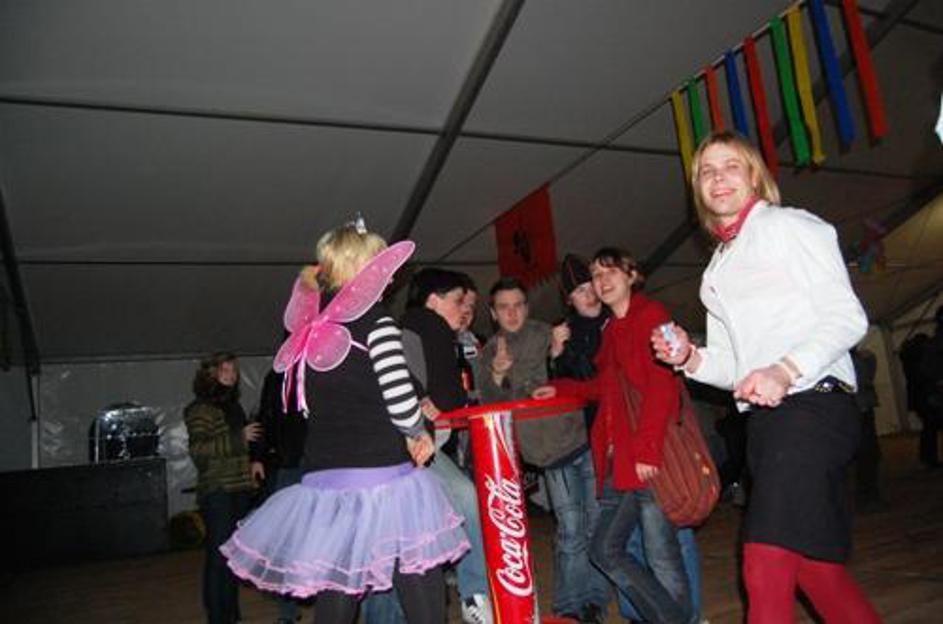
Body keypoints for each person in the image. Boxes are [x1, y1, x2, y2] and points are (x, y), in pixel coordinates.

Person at [651, 130, 879, 623]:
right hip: (767, 421)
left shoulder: (790, 226)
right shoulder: (717, 268)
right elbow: (734, 364)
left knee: (764, 564)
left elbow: (847, 317)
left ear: (754, 176)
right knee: (814, 571)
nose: (718, 178)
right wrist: (690, 357)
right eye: (707, 171)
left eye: (730, 166)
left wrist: (784, 369)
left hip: (814, 405)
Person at [221, 224, 469, 624]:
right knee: (419, 582)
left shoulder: (308, 331)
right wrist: (417, 433)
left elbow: (305, 409)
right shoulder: (377, 323)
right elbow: (401, 404)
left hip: (326, 478)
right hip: (382, 475)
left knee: (339, 588)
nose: (389, 276)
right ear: (363, 266)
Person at [534, 250, 694, 624]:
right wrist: (561, 388)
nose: (602, 281)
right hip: (620, 460)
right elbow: (603, 388)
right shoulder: (613, 330)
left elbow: (663, 388)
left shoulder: (651, 316)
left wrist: (648, 451)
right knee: (605, 549)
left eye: (611, 273)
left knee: (661, 553)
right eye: (596, 274)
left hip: (648, 458)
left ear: (632, 275)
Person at [363, 268, 492, 624]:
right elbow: (450, 394)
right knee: (465, 501)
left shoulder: (406, 326)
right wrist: (432, 400)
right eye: (458, 300)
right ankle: (475, 594)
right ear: (434, 300)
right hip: (411, 448)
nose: (464, 309)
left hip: (391, 450)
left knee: (396, 542)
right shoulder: (429, 323)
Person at [478, 277, 608, 622]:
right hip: (548, 451)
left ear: (527, 307)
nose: (512, 313)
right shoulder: (488, 352)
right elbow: (489, 406)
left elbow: (583, 375)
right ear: (493, 312)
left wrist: (557, 353)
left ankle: (594, 601)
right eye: (504, 307)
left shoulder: (548, 333)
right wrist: (497, 374)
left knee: (596, 523)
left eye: (518, 305)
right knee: (571, 527)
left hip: (583, 437)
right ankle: (570, 605)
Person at [184, 352, 262, 624]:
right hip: (218, 490)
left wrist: (254, 461)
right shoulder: (200, 409)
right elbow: (199, 450)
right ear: (210, 374)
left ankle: (231, 614)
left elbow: (238, 447)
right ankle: (218, 617)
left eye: (234, 370)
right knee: (219, 557)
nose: (231, 375)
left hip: (238, 489)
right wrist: (239, 437)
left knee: (232, 556)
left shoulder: (232, 406)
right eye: (224, 370)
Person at [254, 368, 308, 623]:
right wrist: (257, 456)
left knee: (320, 534)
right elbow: (266, 415)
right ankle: (288, 609)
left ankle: (318, 598)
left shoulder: (324, 366)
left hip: (319, 463)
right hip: (291, 463)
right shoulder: (278, 374)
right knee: (288, 537)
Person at [851, 348, 883, 510]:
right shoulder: (858, 359)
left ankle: (868, 495)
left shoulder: (859, 358)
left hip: (861, 408)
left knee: (868, 454)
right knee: (867, 453)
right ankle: (867, 496)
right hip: (859, 409)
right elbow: (864, 380)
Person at [919, 306, 943, 467]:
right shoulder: (936, 343)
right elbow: (927, 368)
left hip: (933, 390)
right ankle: (928, 459)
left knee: (930, 426)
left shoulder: (933, 342)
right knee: (931, 425)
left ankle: (928, 458)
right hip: (936, 390)